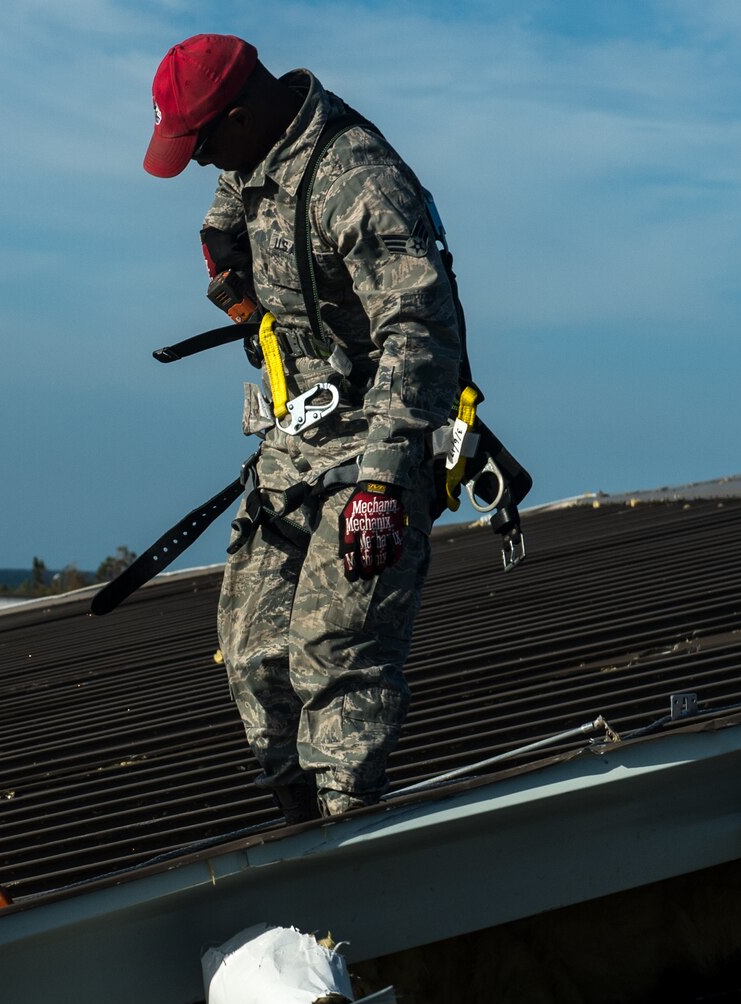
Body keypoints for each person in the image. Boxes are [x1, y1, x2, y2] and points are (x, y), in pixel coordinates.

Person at [143, 34, 468, 820]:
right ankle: (298, 830)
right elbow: (225, 228)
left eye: (204, 144)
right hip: (298, 440)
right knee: (254, 656)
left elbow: (421, 331)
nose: (199, 164)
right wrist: (238, 297)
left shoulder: (359, 182)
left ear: (244, 114)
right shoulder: (251, 158)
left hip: (381, 441)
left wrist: (386, 482)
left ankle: (348, 837)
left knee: (338, 654)